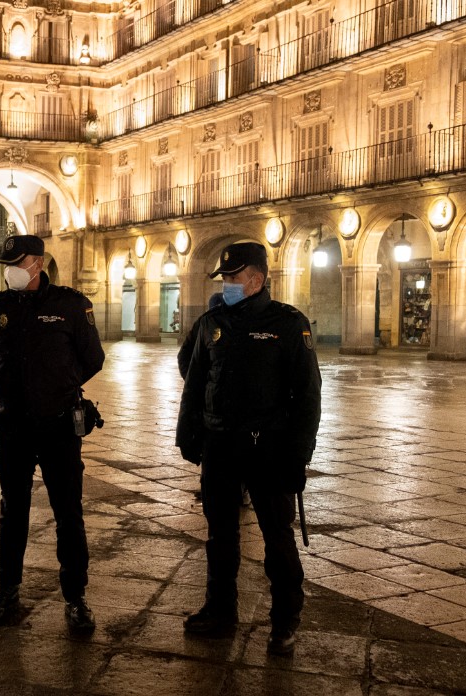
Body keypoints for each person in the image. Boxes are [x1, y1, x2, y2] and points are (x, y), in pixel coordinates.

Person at [175, 242, 320, 656]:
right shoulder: (211, 322)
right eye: (224, 277)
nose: (226, 284)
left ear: (256, 279)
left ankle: (285, 621)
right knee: (220, 536)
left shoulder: (289, 324)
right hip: (220, 446)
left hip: (268, 450)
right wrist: (189, 433)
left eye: (233, 277)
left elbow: (308, 396)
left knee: (277, 538)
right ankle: (220, 613)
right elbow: (193, 377)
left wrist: (298, 456)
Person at [0, 234, 105, 633]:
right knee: (12, 512)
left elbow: (93, 359)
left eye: (19, 261)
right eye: (7, 263)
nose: (11, 269)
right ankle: (8, 590)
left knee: (69, 513)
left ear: (39, 262)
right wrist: (14, 393)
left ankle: (76, 597)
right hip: (12, 426)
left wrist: (57, 389)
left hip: (60, 426)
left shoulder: (70, 305)